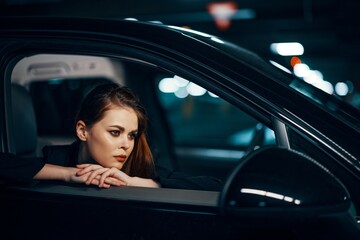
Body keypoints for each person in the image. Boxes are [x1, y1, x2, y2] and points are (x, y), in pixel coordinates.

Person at [0, 83, 223, 191]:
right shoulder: (57, 159)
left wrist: (136, 182)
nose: (126, 145)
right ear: (82, 131)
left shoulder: (138, 168)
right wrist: (69, 175)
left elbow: (213, 186)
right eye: (115, 132)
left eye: (132, 135)